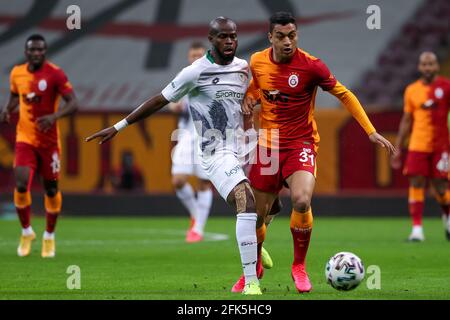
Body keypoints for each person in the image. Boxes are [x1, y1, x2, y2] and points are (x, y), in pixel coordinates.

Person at [87, 17, 263, 295]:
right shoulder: (194, 72)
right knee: (246, 198)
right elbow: (159, 100)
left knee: (265, 207)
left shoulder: (244, 68)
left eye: (233, 36)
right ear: (211, 39)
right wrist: (119, 126)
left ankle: (252, 243)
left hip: (243, 149)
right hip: (215, 152)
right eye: (222, 37)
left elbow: (256, 95)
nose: (229, 41)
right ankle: (251, 281)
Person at [233, 12, 396, 293]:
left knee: (301, 200)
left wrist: (370, 131)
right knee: (255, 216)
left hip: (301, 143)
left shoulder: (311, 66)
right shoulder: (257, 61)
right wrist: (249, 98)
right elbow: (256, 88)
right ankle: (255, 263)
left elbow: (344, 93)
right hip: (268, 145)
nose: (287, 41)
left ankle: (299, 266)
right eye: (281, 36)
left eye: (292, 36)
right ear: (270, 37)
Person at [0, 34, 78, 258]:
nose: (36, 53)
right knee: (22, 183)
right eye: (32, 50)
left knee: (51, 189)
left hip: (50, 143)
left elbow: (73, 102)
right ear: (26, 52)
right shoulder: (17, 73)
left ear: (45, 52)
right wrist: (8, 109)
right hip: (25, 138)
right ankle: (26, 232)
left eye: (40, 50)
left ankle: (49, 237)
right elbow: (17, 95)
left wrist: (54, 117)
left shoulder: (55, 74)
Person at [391, 52, 450, 241]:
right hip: (417, 143)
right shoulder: (412, 90)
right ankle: (417, 229)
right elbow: (406, 121)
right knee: (416, 182)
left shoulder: (446, 87)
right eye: (424, 64)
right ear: (419, 67)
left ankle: (447, 215)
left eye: (431, 64)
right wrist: (398, 147)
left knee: (441, 188)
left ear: (436, 66)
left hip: (441, 145)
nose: (427, 67)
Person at [167, 42, 213, 243]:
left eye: (199, 55)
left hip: (207, 135)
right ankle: (196, 216)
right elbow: (171, 101)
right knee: (178, 181)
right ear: (188, 57)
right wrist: (175, 107)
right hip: (185, 135)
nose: (196, 58)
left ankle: (198, 229)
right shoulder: (185, 75)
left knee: (204, 182)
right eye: (193, 55)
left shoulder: (213, 76)